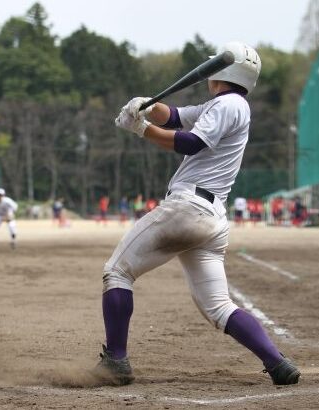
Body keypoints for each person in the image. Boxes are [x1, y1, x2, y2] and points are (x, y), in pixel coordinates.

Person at [93, 42, 300, 386]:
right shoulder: (228, 105)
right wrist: (148, 106)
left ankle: (116, 360)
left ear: (221, 73)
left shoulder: (227, 105)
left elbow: (190, 142)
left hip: (187, 209)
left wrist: (140, 129)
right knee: (219, 306)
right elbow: (176, 116)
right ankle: (277, 363)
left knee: (116, 272)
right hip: (211, 219)